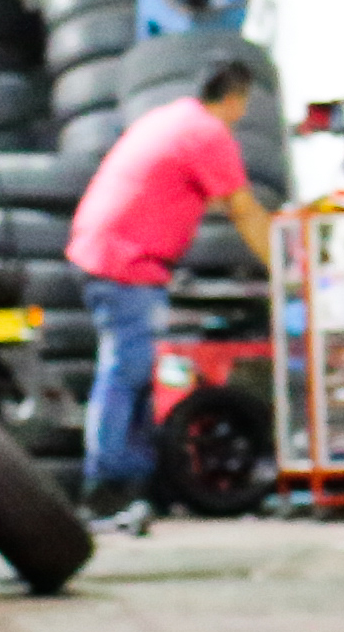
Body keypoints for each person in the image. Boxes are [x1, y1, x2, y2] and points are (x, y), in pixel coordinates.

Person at [62, 54, 275, 521]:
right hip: (124, 262)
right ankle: (108, 485)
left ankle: (133, 484)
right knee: (126, 372)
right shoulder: (206, 132)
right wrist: (283, 267)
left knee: (132, 375)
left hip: (109, 254)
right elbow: (242, 209)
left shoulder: (173, 118)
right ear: (236, 99)